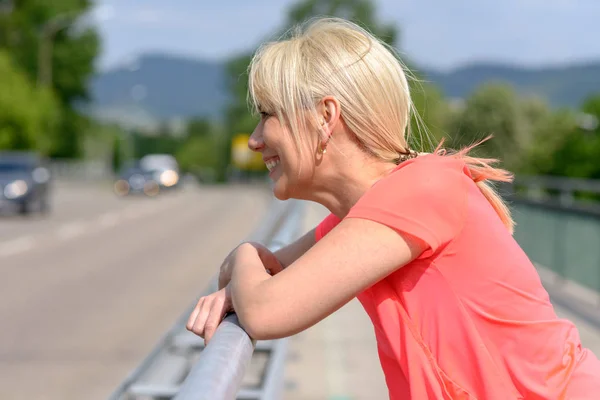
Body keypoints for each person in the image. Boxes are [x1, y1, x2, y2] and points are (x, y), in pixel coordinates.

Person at [186, 17, 600, 399]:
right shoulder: (361, 216)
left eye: (267, 116)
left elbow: (264, 309)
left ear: (325, 117)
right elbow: (270, 274)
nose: (255, 139)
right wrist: (248, 266)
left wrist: (244, 253)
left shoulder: (420, 189)